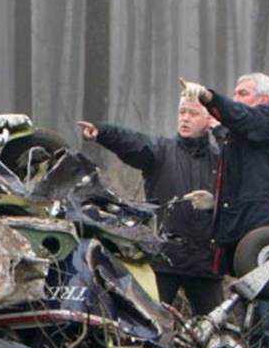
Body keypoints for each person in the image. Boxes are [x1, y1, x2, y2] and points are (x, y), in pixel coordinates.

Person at [180, 73, 269, 348]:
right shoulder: (248, 140)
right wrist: (217, 203)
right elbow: (249, 187)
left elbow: (243, 119)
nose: (236, 99)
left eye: (243, 93)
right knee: (255, 332)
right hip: (253, 249)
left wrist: (211, 98)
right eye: (234, 94)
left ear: (263, 100)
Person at [77, 98, 222, 315]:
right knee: (149, 322)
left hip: (205, 263)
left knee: (214, 332)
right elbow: (132, 142)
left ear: (208, 119)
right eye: (182, 112)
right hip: (164, 259)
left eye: (193, 114)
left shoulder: (221, 160)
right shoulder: (160, 151)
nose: (185, 118)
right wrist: (103, 132)